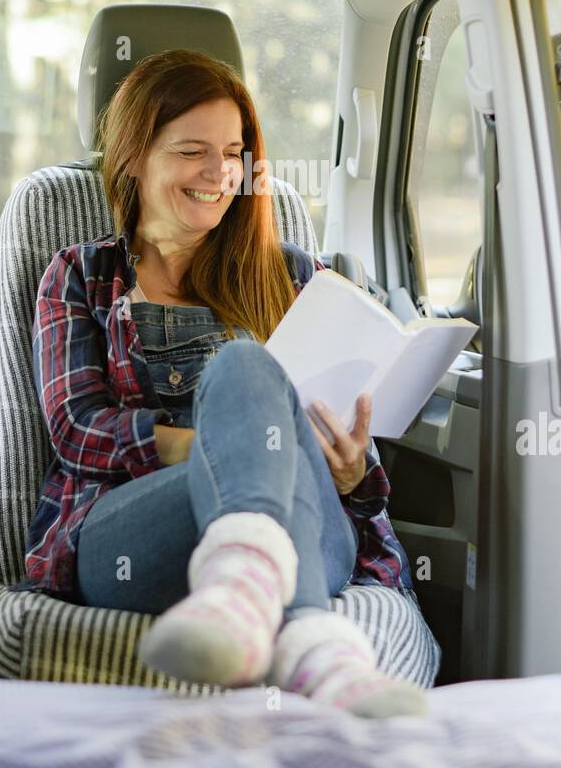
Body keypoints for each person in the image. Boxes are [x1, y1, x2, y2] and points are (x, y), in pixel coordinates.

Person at [24, 47, 430, 717]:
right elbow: (76, 432)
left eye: (234, 151)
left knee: (257, 389)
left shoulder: (298, 276)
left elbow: (354, 477)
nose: (219, 173)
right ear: (131, 157)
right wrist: (230, 443)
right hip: (135, 535)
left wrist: (352, 471)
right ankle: (314, 644)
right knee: (244, 370)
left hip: (311, 532)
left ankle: (252, 594)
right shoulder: (81, 277)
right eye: (191, 151)